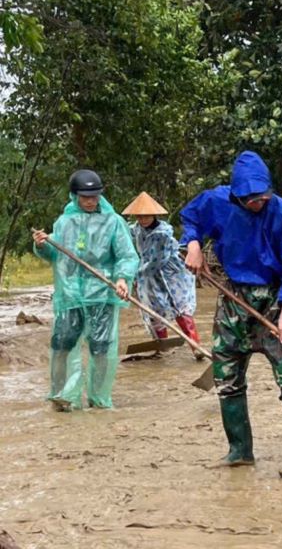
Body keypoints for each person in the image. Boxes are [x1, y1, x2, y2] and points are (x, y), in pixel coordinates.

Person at [181, 151, 282, 478]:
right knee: (226, 372)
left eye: (262, 197)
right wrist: (194, 244)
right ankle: (240, 450)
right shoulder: (217, 201)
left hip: (275, 297)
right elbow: (191, 218)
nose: (257, 203)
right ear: (236, 194)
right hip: (234, 296)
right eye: (249, 199)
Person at [32, 170, 139, 411]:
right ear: (74, 196)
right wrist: (42, 245)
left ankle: (98, 398)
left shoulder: (113, 222)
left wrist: (122, 278)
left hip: (102, 292)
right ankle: (61, 396)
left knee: (101, 345)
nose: (91, 201)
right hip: (69, 295)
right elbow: (56, 254)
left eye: (95, 196)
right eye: (85, 196)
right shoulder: (64, 222)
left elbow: (127, 255)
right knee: (62, 342)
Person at [123, 192, 202, 360]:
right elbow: (122, 230)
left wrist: (134, 274)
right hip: (148, 274)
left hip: (170, 273)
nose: (143, 220)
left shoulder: (162, 234)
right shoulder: (136, 229)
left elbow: (156, 261)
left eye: (146, 216)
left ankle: (195, 346)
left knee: (180, 307)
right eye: (139, 216)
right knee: (153, 309)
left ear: (154, 215)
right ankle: (162, 344)